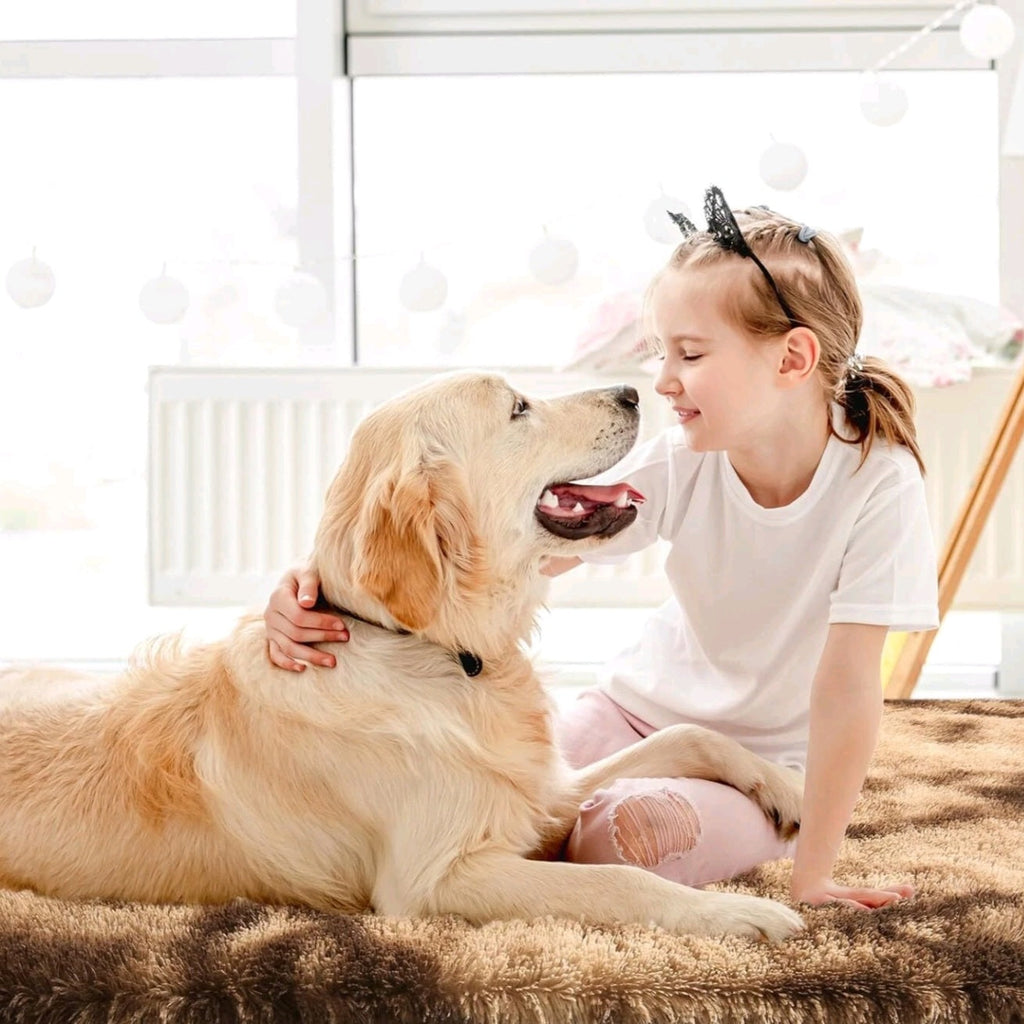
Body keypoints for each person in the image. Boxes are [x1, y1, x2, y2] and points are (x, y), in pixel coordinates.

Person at [262, 186, 939, 911]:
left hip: (768, 762)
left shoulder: (880, 486)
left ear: (793, 358)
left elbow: (847, 691)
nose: (662, 380)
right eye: (661, 352)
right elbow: (518, 541)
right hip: (631, 712)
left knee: (614, 838)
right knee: (506, 792)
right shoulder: (685, 458)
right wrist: (329, 581)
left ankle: (696, 819)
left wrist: (814, 874)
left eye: (690, 353)